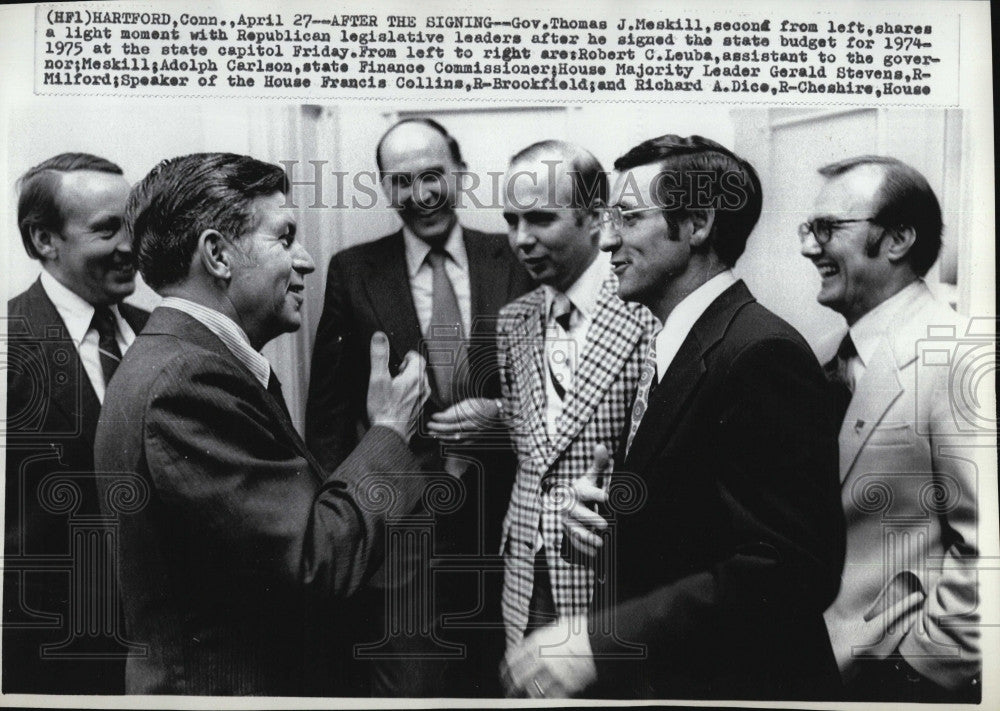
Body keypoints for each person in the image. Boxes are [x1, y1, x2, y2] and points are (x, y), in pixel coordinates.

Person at [503, 135, 845, 699]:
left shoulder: (760, 353)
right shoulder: (693, 341)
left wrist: (598, 641)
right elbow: (708, 528)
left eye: (629, 218)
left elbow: (788, 570)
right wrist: (613, 527)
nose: (607, 237)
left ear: (697, 225)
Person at [92, 152, 437, 695]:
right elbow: (315, 563)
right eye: (284, 237)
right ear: (217, 255)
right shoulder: (188, 381)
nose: (307, 261)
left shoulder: (186, 361)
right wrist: (391, 432)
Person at [306, 118, 532, 695]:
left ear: (458, 170)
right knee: (414, 688)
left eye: (434, 176)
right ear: (385, 187)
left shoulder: (515, 256)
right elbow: (328, 416)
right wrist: (354, 521)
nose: (422, 195)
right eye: (402, 182)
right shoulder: (353, 271)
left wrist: (503, 421)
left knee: (508, 680)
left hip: (507, 518)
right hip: (403, 535)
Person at [801, 155, 983, 702]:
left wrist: (913, 671)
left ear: (899, 238)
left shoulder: (959, 355)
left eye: (827, 229)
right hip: (808, 668)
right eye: (809, 230)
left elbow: (985, 549)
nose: (809, 248)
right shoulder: (820, 357)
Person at [495, 141, 656, 656]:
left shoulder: (648, 316)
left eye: (540, 218)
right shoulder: (513, 321)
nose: (522, 239)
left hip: (611, 587)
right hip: (523, 577)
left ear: (593, 219)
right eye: (511, 220)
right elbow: (536, 447)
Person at [4, 153, 148, 694]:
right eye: (109, 228)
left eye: (133, 224)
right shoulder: (10, 347)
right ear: (44, 240)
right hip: (55, 663)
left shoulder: (159, 333)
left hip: (167, 649)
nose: (131, 245)